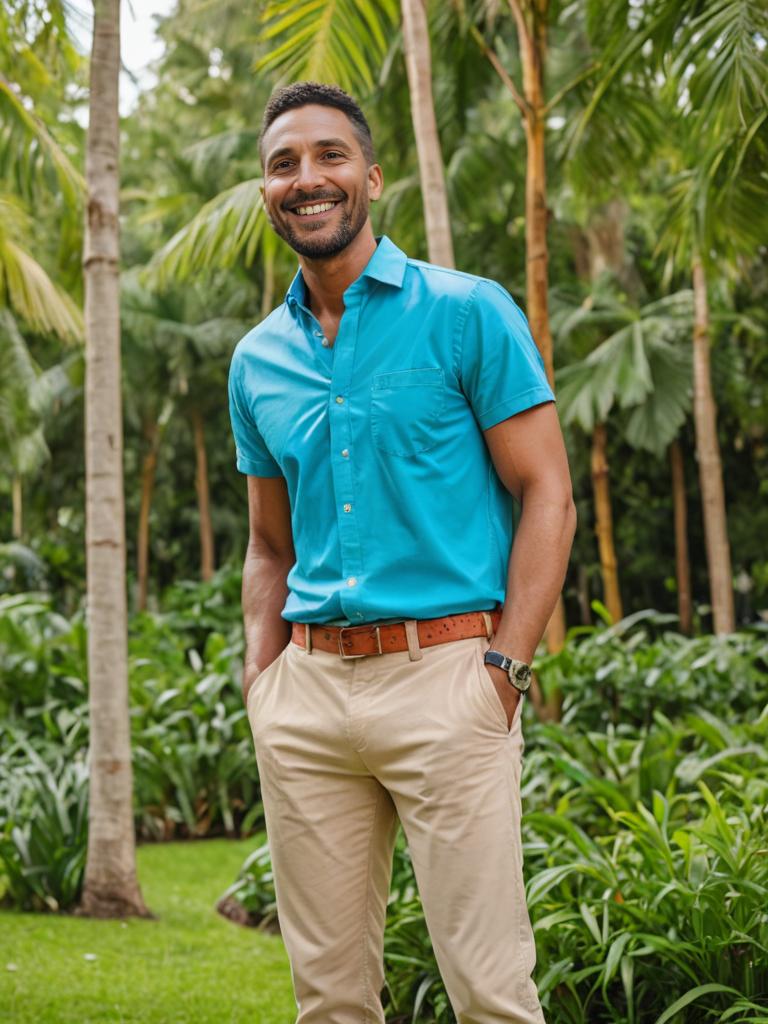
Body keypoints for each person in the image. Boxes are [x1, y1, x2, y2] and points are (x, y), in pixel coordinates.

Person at [228, 81, 576, 1024]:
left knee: (491, 994)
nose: (308, 179)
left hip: (450, 682)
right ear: (267, 192)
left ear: (371, 177)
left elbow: (548, 493)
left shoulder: (467, 313)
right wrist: (263, 681)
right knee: (330, 1002)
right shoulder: (256, 359)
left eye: (330, 156)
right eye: (283, 164)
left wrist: (502, 670)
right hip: (308, 699)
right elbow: (267, 543)